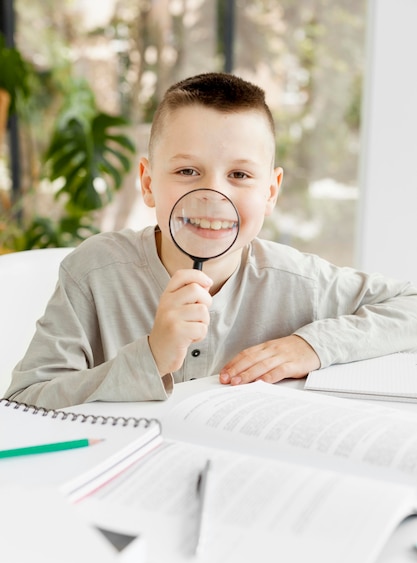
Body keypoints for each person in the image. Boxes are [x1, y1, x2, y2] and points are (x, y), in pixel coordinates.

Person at [6, 72, 417, 409]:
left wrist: (309, 346)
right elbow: (23, 401)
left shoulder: (297, 280)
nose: (210, 196)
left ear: (270, 192)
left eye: (239, 175)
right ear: (148, 183)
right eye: (187, 172)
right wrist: (151, 356)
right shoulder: (93, 273)